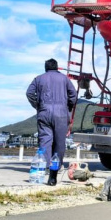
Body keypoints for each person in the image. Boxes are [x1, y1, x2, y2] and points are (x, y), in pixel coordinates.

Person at [26, 58, 78, 186]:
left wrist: (38, 105)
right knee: (59, 143)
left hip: (44, 113)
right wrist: (68, 107)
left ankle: (45, 166)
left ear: (45, 67)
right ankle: (54, 171)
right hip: (61, 114)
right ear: (57, 67)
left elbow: (29, 93)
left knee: (45, 141)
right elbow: (73, 96)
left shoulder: (38, 78)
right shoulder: (65, 79)